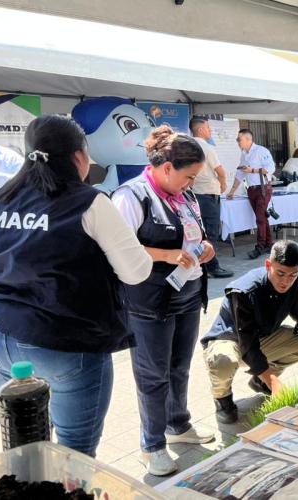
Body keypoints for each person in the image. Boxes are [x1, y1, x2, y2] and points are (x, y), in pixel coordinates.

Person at [0, 116, 152, 457]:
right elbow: (136, 272)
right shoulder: (89, 201)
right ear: (79, 157)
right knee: (74, 455)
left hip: (1, 338)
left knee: (25, 443)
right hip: (65, 343)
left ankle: (29, 482)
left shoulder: (2, 198)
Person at [112, 125, 216, 476]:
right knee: (152, 375)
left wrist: (205, 247)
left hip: (188, 293)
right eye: (189, 177)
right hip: (149, 302)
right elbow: (117, 249)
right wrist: (165, 255)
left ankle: (178, 424)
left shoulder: (185, 195)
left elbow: (196, 234)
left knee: (179, 366)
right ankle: (152, 444)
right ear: (167, 167)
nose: (191, 184)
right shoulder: (132, 196)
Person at [201, 241, 298, 423]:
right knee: (223, 361)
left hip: (262, 337)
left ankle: (261, 380)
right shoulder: (244, 291)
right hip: (230, 340)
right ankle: (222, 398)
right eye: (280, 273)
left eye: (292, 275)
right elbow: (247, 344)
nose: (286, 281)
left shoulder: (296, 280)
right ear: (268, 265)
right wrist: (274, 382)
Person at [189, 118, 233, 279]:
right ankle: (211, 267)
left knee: (199, 233)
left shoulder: (187, 146)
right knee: (211, 233)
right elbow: (220, 171)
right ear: (200, 130)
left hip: (193, 194)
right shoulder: (207, 147)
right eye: (208, 127)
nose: (210, 130)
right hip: (208, 194)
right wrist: (223, 183)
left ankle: (202, 266)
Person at [227, 129, 275, 259]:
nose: (238, 142)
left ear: (248, 139)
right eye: (237, 139)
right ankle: (269, 244)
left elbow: (270, 169)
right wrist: (231, 192)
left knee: (260, 218)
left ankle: (260, 246)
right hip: (252, 190)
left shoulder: (261, 151)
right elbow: (240, 174)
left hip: (263, 188)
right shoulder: (244, 154)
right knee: (262, 217)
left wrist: (252, 170)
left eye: (239, 139)